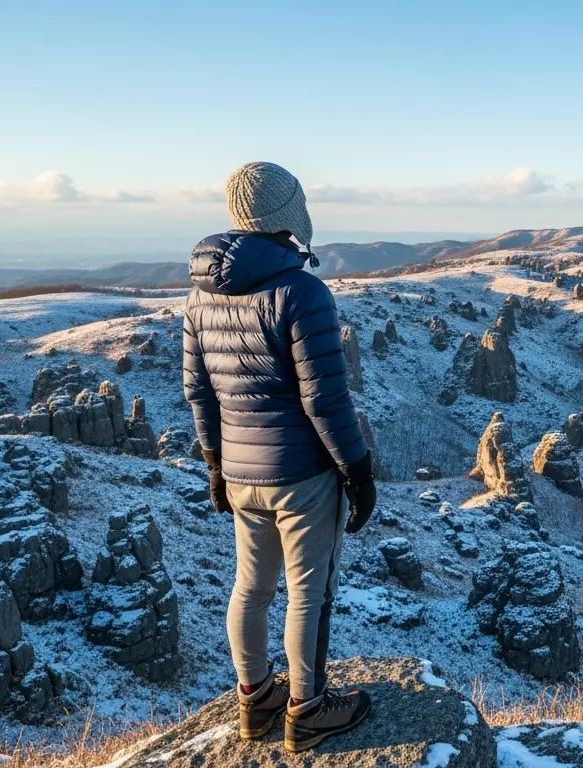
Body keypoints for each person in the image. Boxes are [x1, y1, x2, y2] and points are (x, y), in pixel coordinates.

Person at [183, 161, 377, 752]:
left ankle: (256, 698)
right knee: (309, 596)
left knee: (251, 588)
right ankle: (308, 709)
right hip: (301, 476)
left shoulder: (198, 294)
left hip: (241, 474)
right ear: (288, 214)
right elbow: (323, 396)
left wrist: (215, 464)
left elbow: (199, 391)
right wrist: (357, 469)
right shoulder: (301, 291)